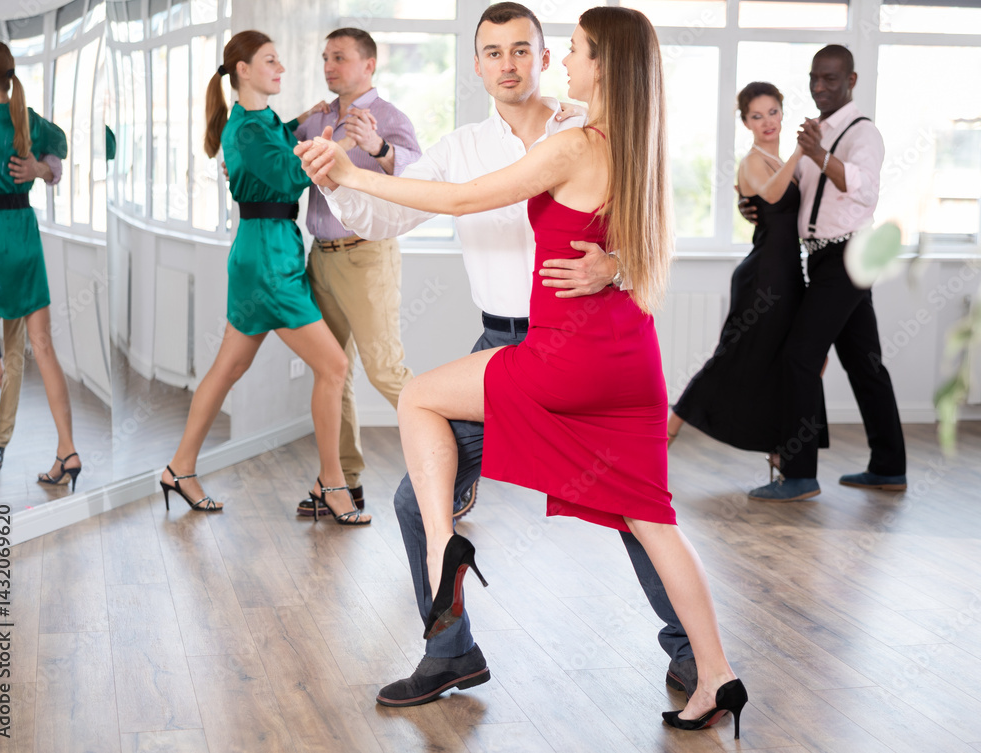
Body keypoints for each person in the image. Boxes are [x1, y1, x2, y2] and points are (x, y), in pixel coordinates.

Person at [300, 6, 747, 737]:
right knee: (642, 513)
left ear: (550, 60)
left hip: (558, 354)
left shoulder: (576, 131)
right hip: (595, 353)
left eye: (541, 49)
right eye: (491, 52)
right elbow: (396, 213)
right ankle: (463, 651)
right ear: (477, 64)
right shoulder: (595, 134)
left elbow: (470, 202)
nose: (511, 63)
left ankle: (459, 555)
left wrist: (618, 263)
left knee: (420, 403)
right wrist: (352, 179)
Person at [159, 30, 370, 525]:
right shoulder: (248, 130)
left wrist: (303, 119)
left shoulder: (257, 121)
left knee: (228, 369)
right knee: (334, 367)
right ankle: (333, 484)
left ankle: (179, 469)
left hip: (261, 252)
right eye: (270, 61)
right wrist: (340, 137)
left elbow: (276, 139)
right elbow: (290, 174)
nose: (280, 68)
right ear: (243, 71)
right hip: (270, 261)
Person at [747, 45, 906, 502]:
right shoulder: (817, 133)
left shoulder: (862, 133)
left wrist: (818, 154)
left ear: (851, 80)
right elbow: (801, 195)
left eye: (831, 79)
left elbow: (863, 191)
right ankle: (889, 466)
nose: (819, 87)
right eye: (815, 78)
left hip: (850, 255)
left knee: (799, 357)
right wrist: (755, 205)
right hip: (822, 257)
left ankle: (800, 475)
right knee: (865, 363)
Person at [290, 28, 421, 515]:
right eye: (325, 57)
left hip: (368, 257)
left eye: (340, 57)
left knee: (386, 370)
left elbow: (419, 176)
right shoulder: (317, 119)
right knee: (332, 371)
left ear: (369, 64)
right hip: (319, 258)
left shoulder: (388, 118)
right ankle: (344, 482)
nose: (329, 66)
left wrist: (382, 148)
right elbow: (283, 158)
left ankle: (455, 473)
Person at [668, 82, 827, 477]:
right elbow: (772, 198)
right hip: (764, 278)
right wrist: (799, 151)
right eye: (757, 116)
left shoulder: (786, 163)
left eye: (773, 112)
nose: (767, 121)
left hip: (790, 273)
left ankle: (780, 446)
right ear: (746, 123)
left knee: (798, 360)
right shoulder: (754, 161)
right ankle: (665, 433)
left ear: (782, 113)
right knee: (734, 357)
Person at [0, 39, 78, 491]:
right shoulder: (27, 118)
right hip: (28, 234)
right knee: (44, 348)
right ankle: (68, 452)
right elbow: (59, 142)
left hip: (0, 237)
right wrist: (40, 169)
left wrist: (37, 170)